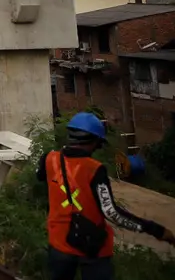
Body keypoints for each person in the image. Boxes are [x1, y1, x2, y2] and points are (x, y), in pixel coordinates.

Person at [37, 112, 174, 279]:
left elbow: (42, 178)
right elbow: (112, 213)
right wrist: (155, 230)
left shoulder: (49, 159)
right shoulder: (94, 169)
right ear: (94, 142)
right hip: (92, 248)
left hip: (59, 243)